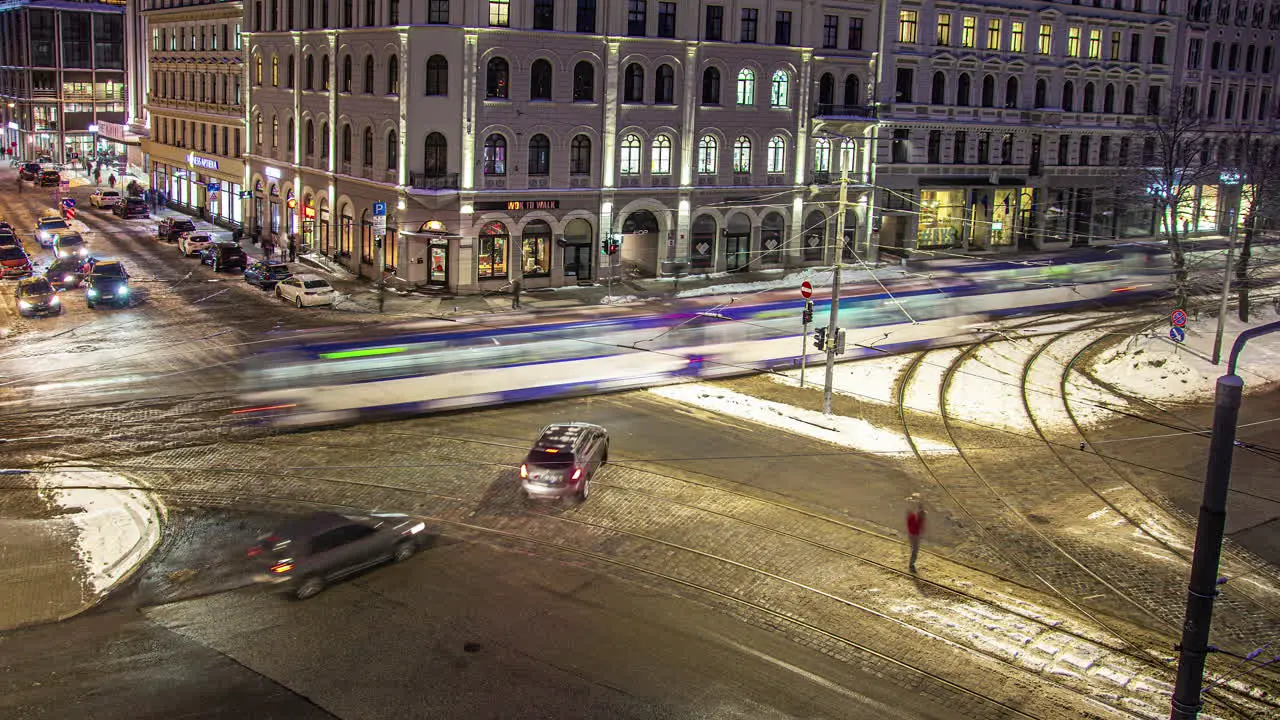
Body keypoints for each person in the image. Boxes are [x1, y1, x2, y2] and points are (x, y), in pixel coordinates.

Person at [906, 494, 926, 573]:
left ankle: (912, 563)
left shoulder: (914, 516)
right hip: (914, 534)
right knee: (915, 550)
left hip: (913, 533)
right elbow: (918, 525)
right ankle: (911, 565)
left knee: (914, 549)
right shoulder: (916, 517)